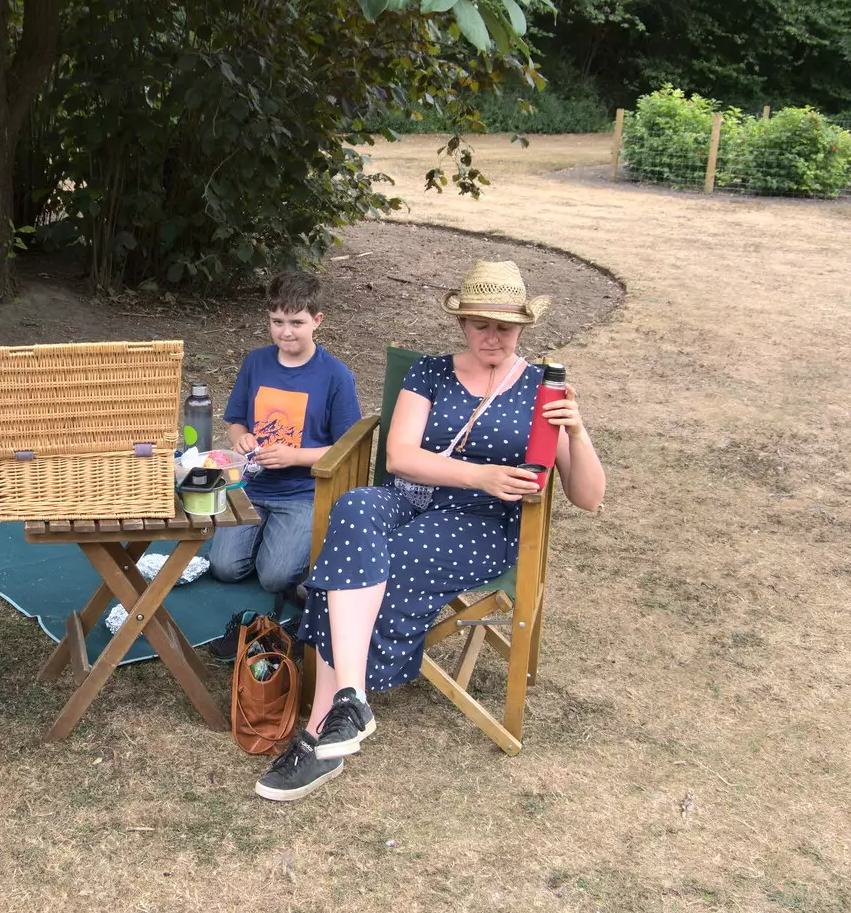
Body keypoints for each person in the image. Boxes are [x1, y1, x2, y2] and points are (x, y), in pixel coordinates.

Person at [255, 260, 606, 802]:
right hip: (412, 499)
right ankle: (352, 696)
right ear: (462, 324)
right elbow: (399, 459)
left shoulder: (541, 389)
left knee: (358, 568)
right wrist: (480, 473)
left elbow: (589, 497)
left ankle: (320, 732)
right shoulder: (430, 374)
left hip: (479, 523)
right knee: (354, 510)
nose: (493, 337)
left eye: (506, 327)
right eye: (482, 325)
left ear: (522, 329)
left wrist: (577, 434)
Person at [207, 271, 361, 601]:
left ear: (317, 320)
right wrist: (241, 439)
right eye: (277, 322)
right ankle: (269, 540)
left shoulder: (335, 375)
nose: (286, 332)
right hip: (251, 484)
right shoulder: (256, 362)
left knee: (275, 577)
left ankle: (300, 545)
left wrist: (296, 457)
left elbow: (347, 448)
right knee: (224, 568)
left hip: (303, 493)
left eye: (296, 322)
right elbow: (235, 421)